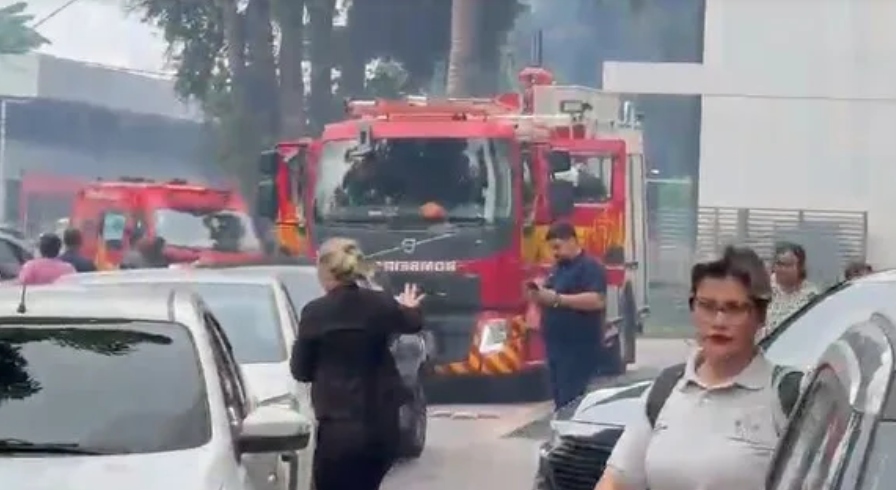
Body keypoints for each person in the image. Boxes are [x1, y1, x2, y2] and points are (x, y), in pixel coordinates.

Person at [595, 246, 803, 490]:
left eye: (734, 308)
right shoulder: (667, 388)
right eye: (707, 306)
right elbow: (617, 481)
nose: (719, 322)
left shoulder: (787, 395)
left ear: (760, 315)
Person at [290, 237, 425, 490]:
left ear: (324, 271)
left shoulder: (315, 312)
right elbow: (411, 323)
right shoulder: (380, 303)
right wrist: (410, 308)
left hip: (337, 431)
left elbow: (301, 371)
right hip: (381, 430)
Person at [530, 221, 607, 410]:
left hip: (578, 348)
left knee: (571, 399)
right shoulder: (557, 270)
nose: (554, 253)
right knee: (559, 398)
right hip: (557, 347)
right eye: (551, 249)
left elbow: (596, 300)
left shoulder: (590, 267)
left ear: (572, 241)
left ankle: (572, 434)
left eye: (557, 247)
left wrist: (558, 299)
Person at [765, 242, 819, 333]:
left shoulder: (811, 297)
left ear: (800, 267)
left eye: (787, 265)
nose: (782, 269)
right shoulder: (763, 289)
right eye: (779, 264)